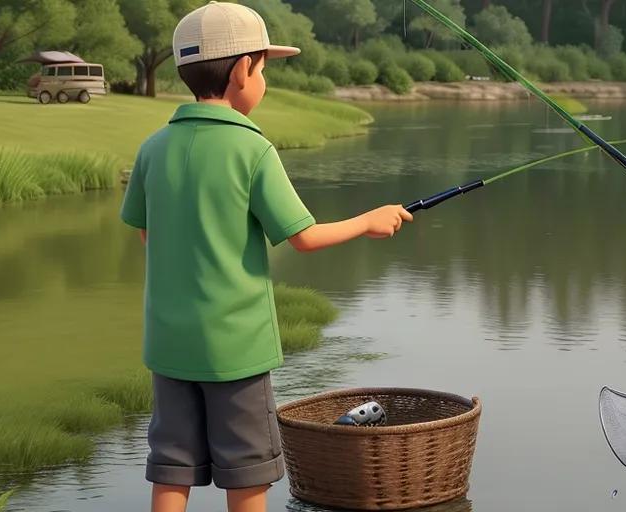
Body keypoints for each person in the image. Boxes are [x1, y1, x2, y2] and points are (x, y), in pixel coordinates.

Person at [119, 3, 413, 511]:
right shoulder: (252, 149)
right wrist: (368, 221)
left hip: (168, 345)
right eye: (264, 68)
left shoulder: (153, 148)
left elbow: (147, 236)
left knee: (171, 465)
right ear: (241, 70)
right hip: (236, 350)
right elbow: (303, 237)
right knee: (247, 469)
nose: (264, 79)